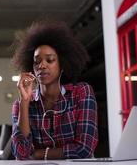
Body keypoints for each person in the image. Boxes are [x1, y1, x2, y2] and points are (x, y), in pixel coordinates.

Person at [11, 21, 98, 160]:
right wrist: (25, 102)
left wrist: (38, 154)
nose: (42, 65)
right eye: (36, 61)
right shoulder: (20, 105)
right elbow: (21, 153)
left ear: (62, 64)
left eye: (50, 60)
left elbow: (84, 148)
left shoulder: (81, 93)